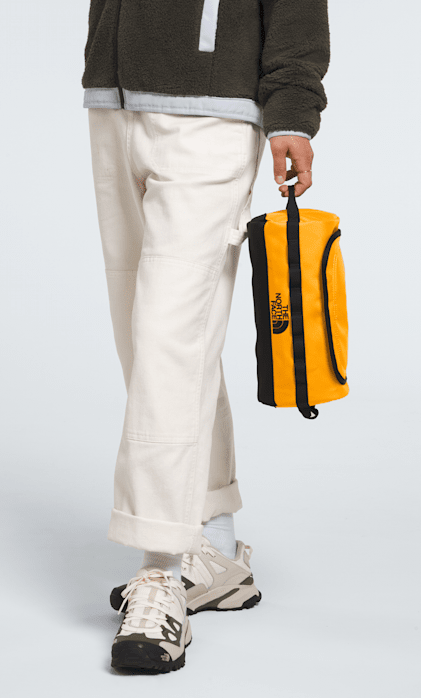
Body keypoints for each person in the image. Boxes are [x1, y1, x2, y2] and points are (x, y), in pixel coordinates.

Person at [82, 0, 330, 673]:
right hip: (113, 105)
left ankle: (160, 569)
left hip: (212, 117)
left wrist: (291, 111)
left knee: (168, 339)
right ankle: (213, 546)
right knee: (157, 342)